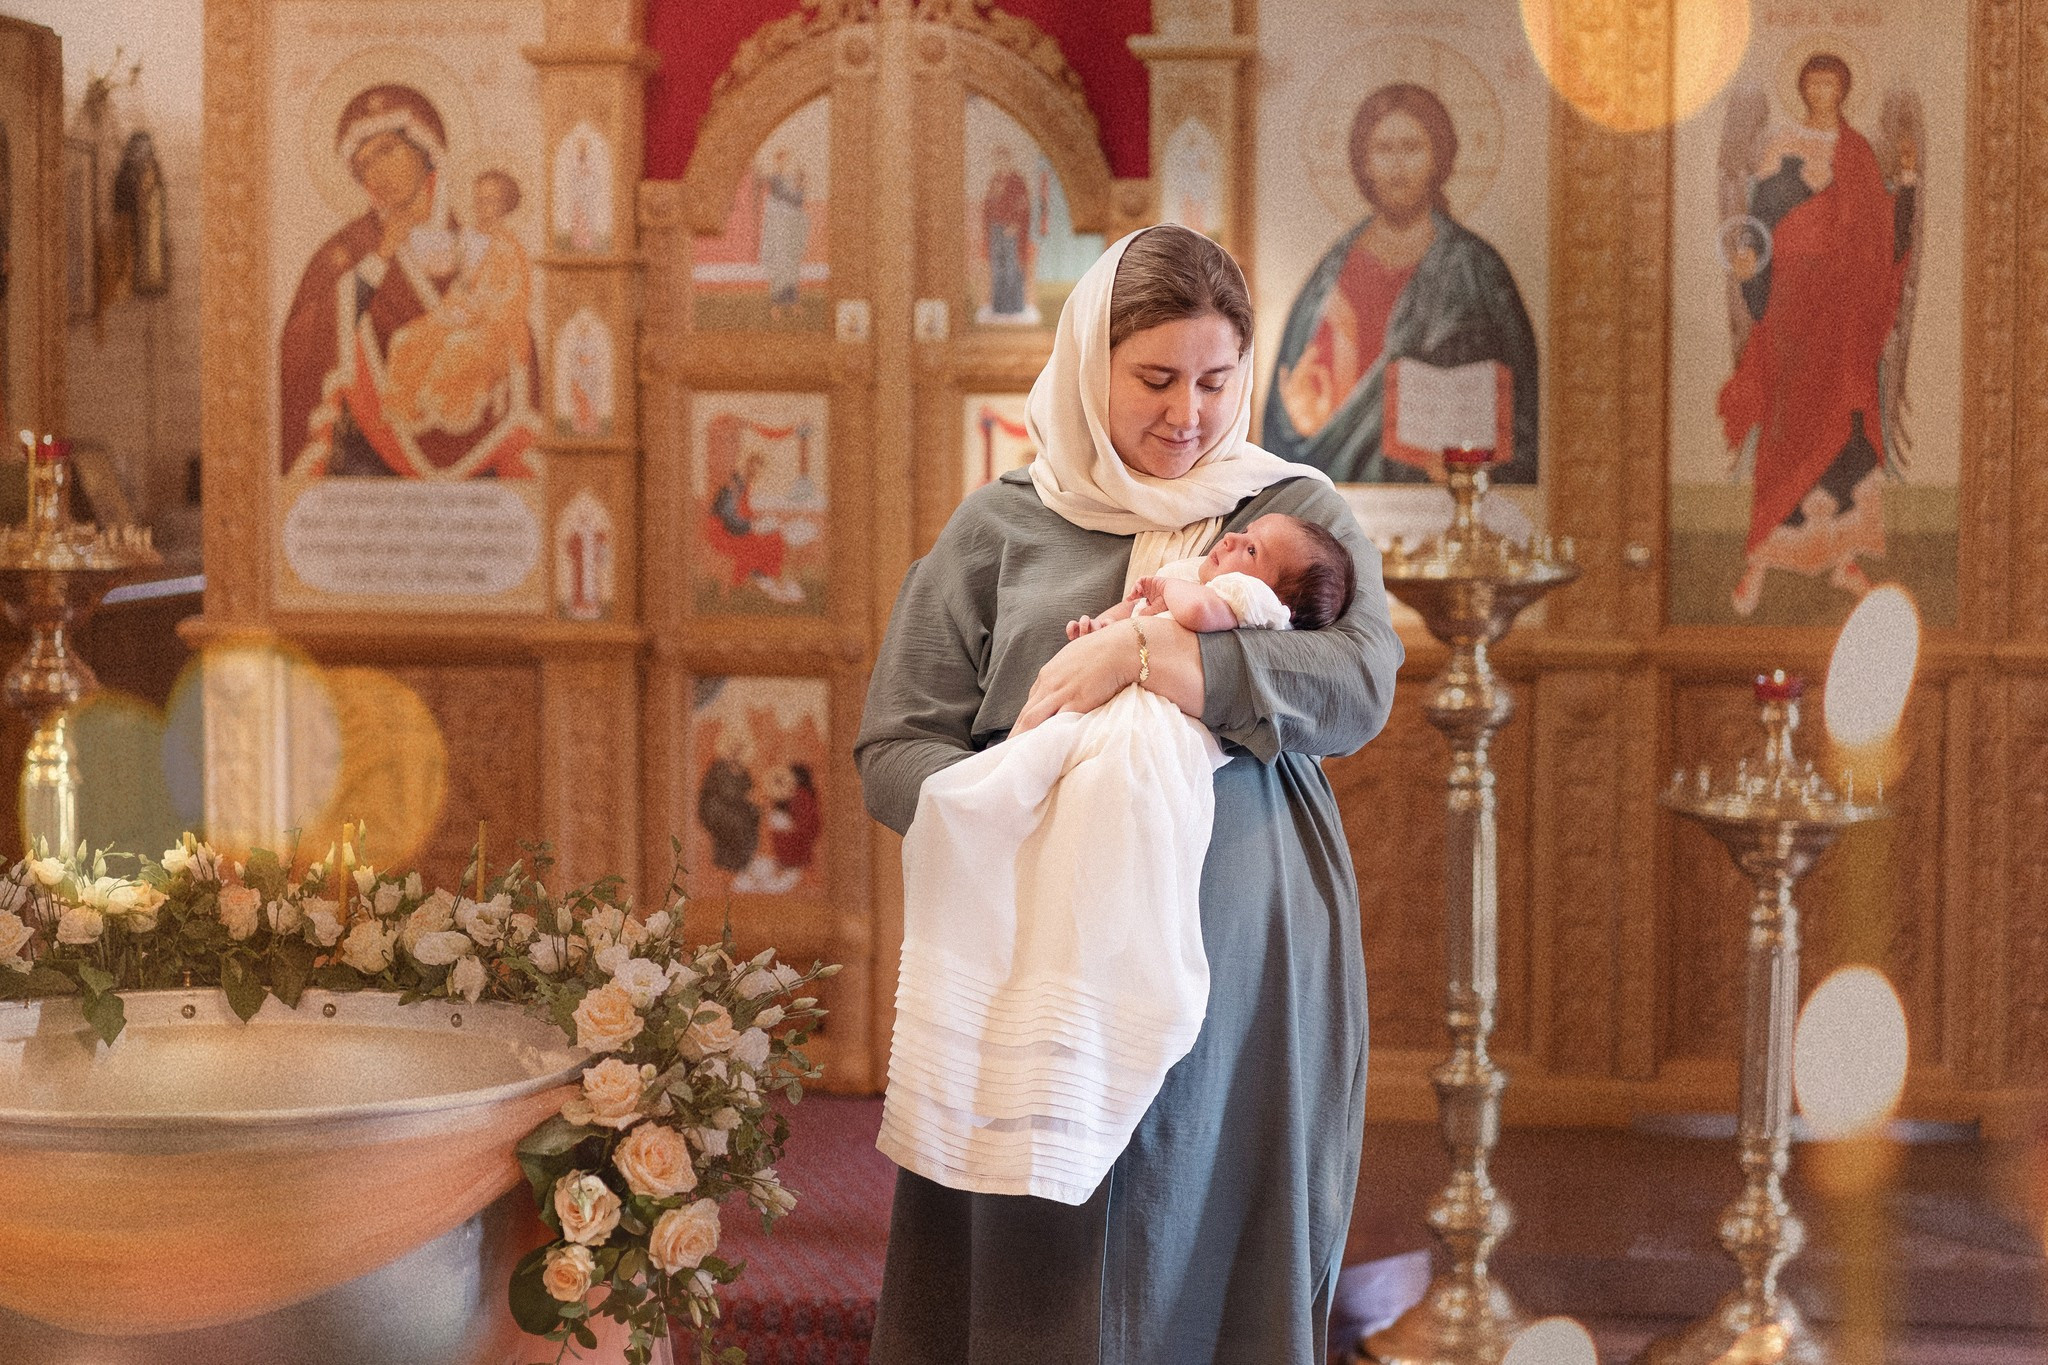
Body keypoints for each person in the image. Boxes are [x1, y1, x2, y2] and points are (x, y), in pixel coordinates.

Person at [857, 223, 1402, 1363]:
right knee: (1038, 1244)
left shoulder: (1284, 511)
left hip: (1243, 970)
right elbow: (897, 745)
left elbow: (1357, 684)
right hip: (1030, 956)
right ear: (1085, 362)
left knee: (1202, 1240)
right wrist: (1016, 810)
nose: (1188, 414)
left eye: (1215, 380)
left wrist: (1145, 658)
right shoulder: (999, 524)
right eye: (1154, 379)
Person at [1719, 52, 1918, 615]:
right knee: (1786, 433)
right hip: (1793, 318)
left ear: (1845, 89)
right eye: (1814, 81)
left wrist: (1905, 182)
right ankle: (1759, 561)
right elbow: (1761, 225)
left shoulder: (1858, 152)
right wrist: (1748, 269)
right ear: (1802, 88)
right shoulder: (1780, 147)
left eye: (1832, 81)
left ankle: (1842, 559)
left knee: (1849, 434)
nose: (1822, 90)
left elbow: (1884, 236)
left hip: (1847, 320)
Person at [1263, 81, 1538, 485]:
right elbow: (1290, 419)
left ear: (1437, 158)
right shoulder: (1332, 275)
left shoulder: (1477, 268)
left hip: (1452, 494)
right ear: (1364, 163)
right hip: (1347, 497)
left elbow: (1523, 402)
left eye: (1411, 148)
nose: (1397, 166)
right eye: (1383, 150)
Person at [278, 84, 540, 478]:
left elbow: (511, 318)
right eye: (363, 165)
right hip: (368, 456)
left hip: (483, 449)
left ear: (425, 150)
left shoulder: (478, 241)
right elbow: (305, 346)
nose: (377, 172)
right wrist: (379, 259)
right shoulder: (346, 252)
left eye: (386, 151)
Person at [1069, 512, 1355, 638]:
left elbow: (1197, 611)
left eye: (1252, 550)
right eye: (1245, 533)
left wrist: (1166, 586)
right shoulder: (1200, 575)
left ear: (1275, 601)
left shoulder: (1247, 599)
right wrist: (1102, 625)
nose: (1230, 537)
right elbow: (1134, 607)